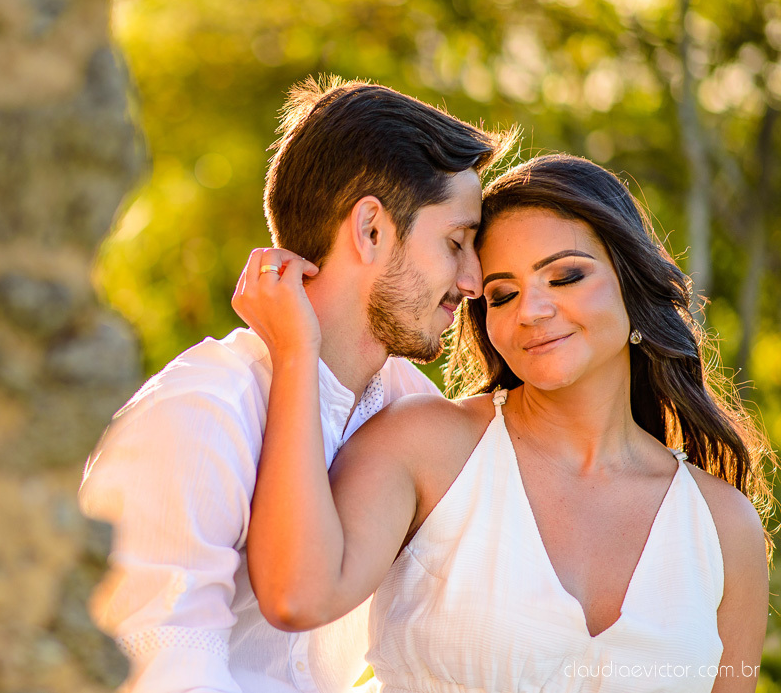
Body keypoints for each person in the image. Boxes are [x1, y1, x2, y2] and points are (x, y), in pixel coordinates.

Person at [236, 153, 772, 692]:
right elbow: (297, 595)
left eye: (564, 276)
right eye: (503, 294)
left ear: (631, 283)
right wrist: (296, 352)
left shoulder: (723, 528)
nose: (531, 311)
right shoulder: (428, 447)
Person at [77, 77, 516, 693]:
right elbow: (160, 669)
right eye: (455, 243)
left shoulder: (407, 407)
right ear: (370, 230)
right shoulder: (202, 414)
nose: (472, 280)